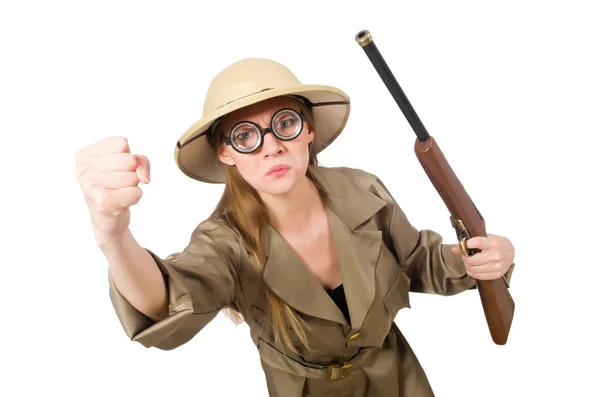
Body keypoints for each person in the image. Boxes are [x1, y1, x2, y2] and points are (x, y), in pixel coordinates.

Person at [74, 57, 515, 396]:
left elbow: (420, 261)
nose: (271, 148)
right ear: (225, 152)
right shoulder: (225, 241)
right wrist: (112, 235)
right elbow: (166, 298)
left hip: (398, 378)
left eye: (285, 123)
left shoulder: (361, 190)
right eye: (245, 135)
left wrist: (486, 255)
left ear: (308, 131)